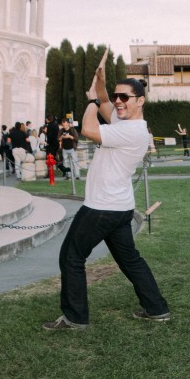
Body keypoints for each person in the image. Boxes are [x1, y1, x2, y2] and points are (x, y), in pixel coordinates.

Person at [45, 52, 170, 329]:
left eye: (125, 97)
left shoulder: (132, 131)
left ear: (140, 101)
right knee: (130, 260)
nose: (118, 102)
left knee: (71, 256)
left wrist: (90, 99)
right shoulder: (125, 123)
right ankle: (157, 308)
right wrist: (100, 85)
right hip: (118, 207)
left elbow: (89, 128)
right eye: (117, 96)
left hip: (102, 207)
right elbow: (103, 101)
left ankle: (75, 317)